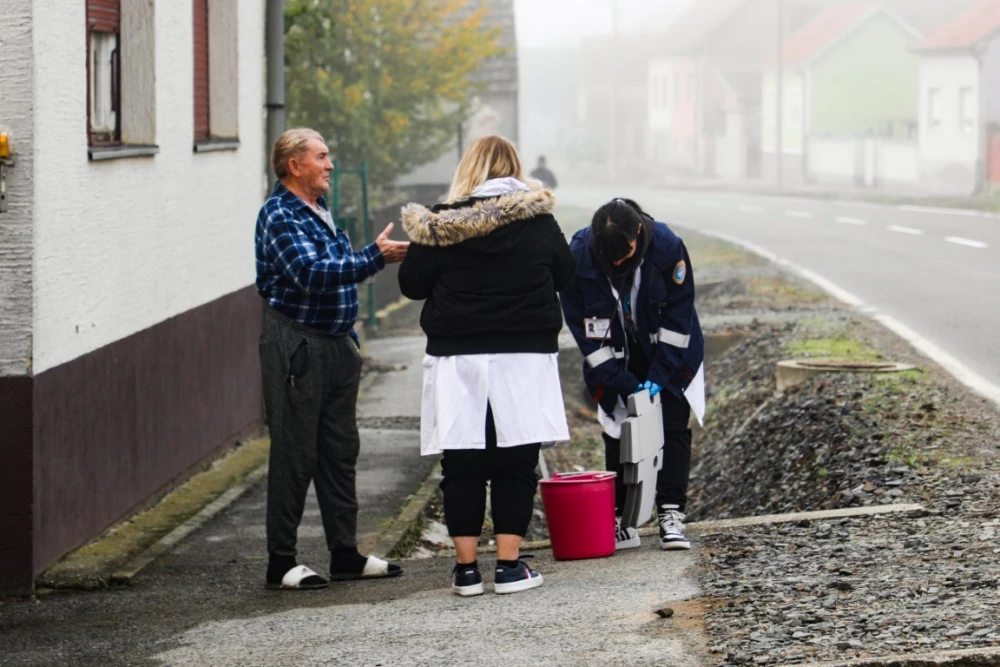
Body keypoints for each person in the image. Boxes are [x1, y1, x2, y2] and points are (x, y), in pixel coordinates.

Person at [398, 135, 574, 597]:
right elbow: (567, 275)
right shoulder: (538, 221)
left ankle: (467, 571)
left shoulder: (441, 221)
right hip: (523, 356)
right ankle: (511, 568)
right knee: (516, 460)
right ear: (515, 166)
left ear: (469, 169)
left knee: (462, 462)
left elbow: (413, 285)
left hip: (457, 358)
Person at [255, 128, 410, 590]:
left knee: (340, 453)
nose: (330, 165)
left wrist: (380, 257)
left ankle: (345, 553)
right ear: (294, 165)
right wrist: (373, 258)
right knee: (295, 453)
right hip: (297, 346)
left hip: (336, 344)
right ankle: (280, 561)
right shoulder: (279, 214)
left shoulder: (317, 211)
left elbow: (340, 268)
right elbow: (308, 274)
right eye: (321, 157)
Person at [560, 198, 705, 551]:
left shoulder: (667, 246)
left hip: (669, 351)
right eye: (611, 260)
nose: (619, 264)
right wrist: (622, 381)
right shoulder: (578, 256)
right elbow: (584, 331)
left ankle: (671, 513)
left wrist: (660, 374)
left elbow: (678, 316)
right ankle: (623, 519)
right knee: (619, 426)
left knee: (671, 424)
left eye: (625, 256)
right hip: (614, 356)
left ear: (637, 232)